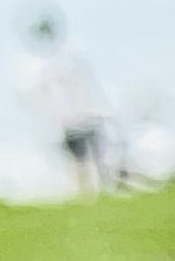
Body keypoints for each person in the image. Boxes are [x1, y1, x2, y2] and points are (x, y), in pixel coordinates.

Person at [18, 10, 118, 192]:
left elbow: (88, 88)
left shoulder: (66, 59)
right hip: (70, 122)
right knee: (81, 162)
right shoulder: (44, 66)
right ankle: (87, 195)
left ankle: (100, 192)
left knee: (94, 158)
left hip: (84, 117)